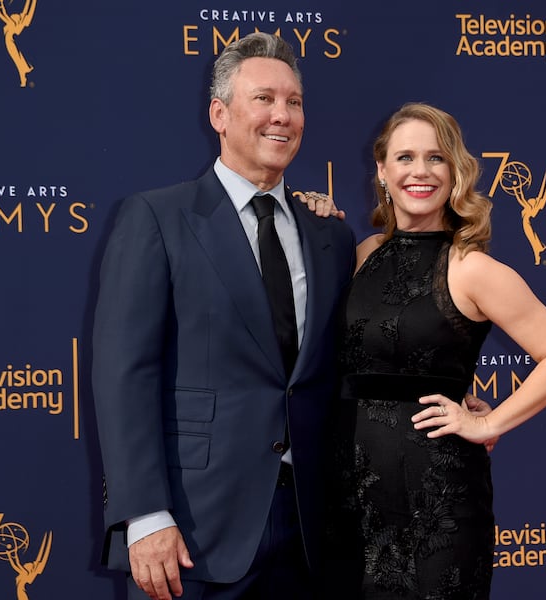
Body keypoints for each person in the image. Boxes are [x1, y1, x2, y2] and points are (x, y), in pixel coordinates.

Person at [91, 32, 356, 600]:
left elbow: (346, 369)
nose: (281, 116)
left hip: (313, 531)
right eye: (263, 99)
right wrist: (145, 516)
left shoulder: (329, 233)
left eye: (294, 102)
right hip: (194, 532)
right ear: (220, 113)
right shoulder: (157, 218)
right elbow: (124, 374)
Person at [326, 102, 546, 599]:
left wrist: (489, 423)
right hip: (350, 499)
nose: (419, 172)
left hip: (437, 504)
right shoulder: (362, 253)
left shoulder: (471, 268)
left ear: (456, 173)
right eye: (405, 158)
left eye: (435, 158)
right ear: (381, 170)